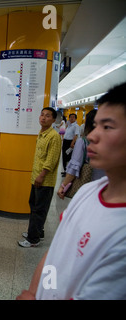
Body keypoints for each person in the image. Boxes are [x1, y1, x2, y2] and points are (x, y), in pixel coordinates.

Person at [17, 82, 126, 300]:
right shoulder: (87, 193)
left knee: (39, 208)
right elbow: (56, 254)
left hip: (44, 180)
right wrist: (37, 291)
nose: (93, 136)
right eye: (94, 126)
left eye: (107, 127)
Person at [18, 107, 61, 248]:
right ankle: (38, 231)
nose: (43, 118)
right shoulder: (42, 133)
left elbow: (51, 160)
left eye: (48, 116)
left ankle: (33, 239)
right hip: (36, 177)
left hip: (44, 180)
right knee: (34, 206)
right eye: (42, 115)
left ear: (54, 120)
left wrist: (42, 176)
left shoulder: (53, 136)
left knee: (39, 209)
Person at [57, 109, 105, 199]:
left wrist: (63, 186)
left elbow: (74, 167)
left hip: (89, 187)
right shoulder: (113, 142)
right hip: (107, 189)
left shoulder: (83, 142)